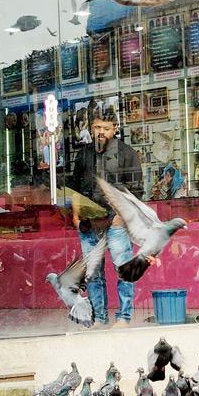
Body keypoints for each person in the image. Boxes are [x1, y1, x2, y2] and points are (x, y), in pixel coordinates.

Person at [70, 110, 142, 327]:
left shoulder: (127, 154)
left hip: (116, 223)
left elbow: (136, 192)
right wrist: (75, 216)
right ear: (91, 128)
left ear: (115, 129)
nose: (101, 132)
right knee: (93, 275)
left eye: (106, 128)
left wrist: (122, 217)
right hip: (88, 224)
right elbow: (74, 189)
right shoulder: (83, 155)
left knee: (123, 271)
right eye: (97, 127)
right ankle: (99, 318)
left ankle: (124, 317)